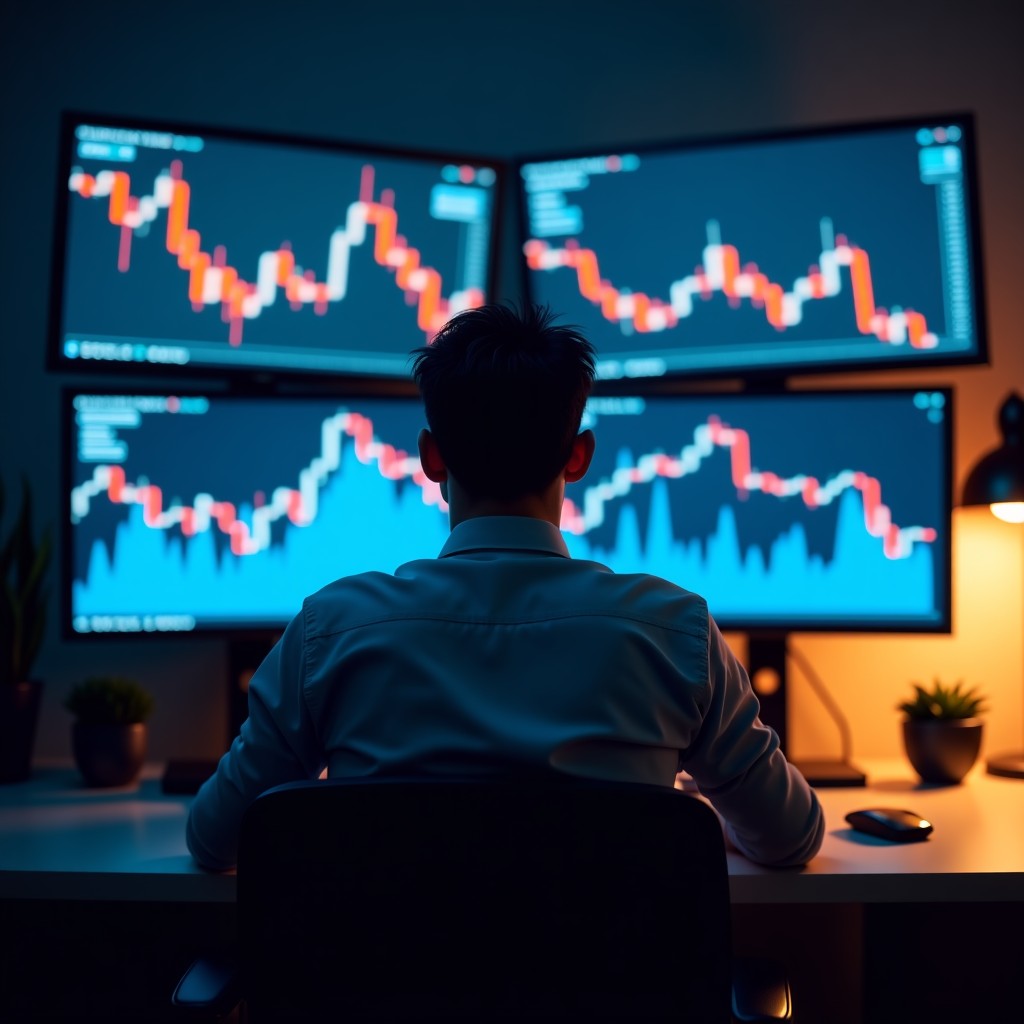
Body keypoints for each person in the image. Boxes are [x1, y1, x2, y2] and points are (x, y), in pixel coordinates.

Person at [186, 302, 824, 871]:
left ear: (431, 457)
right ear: (579, 457)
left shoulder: (330, 631)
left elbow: (216, 841)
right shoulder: (676, 632)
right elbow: (791, 839)